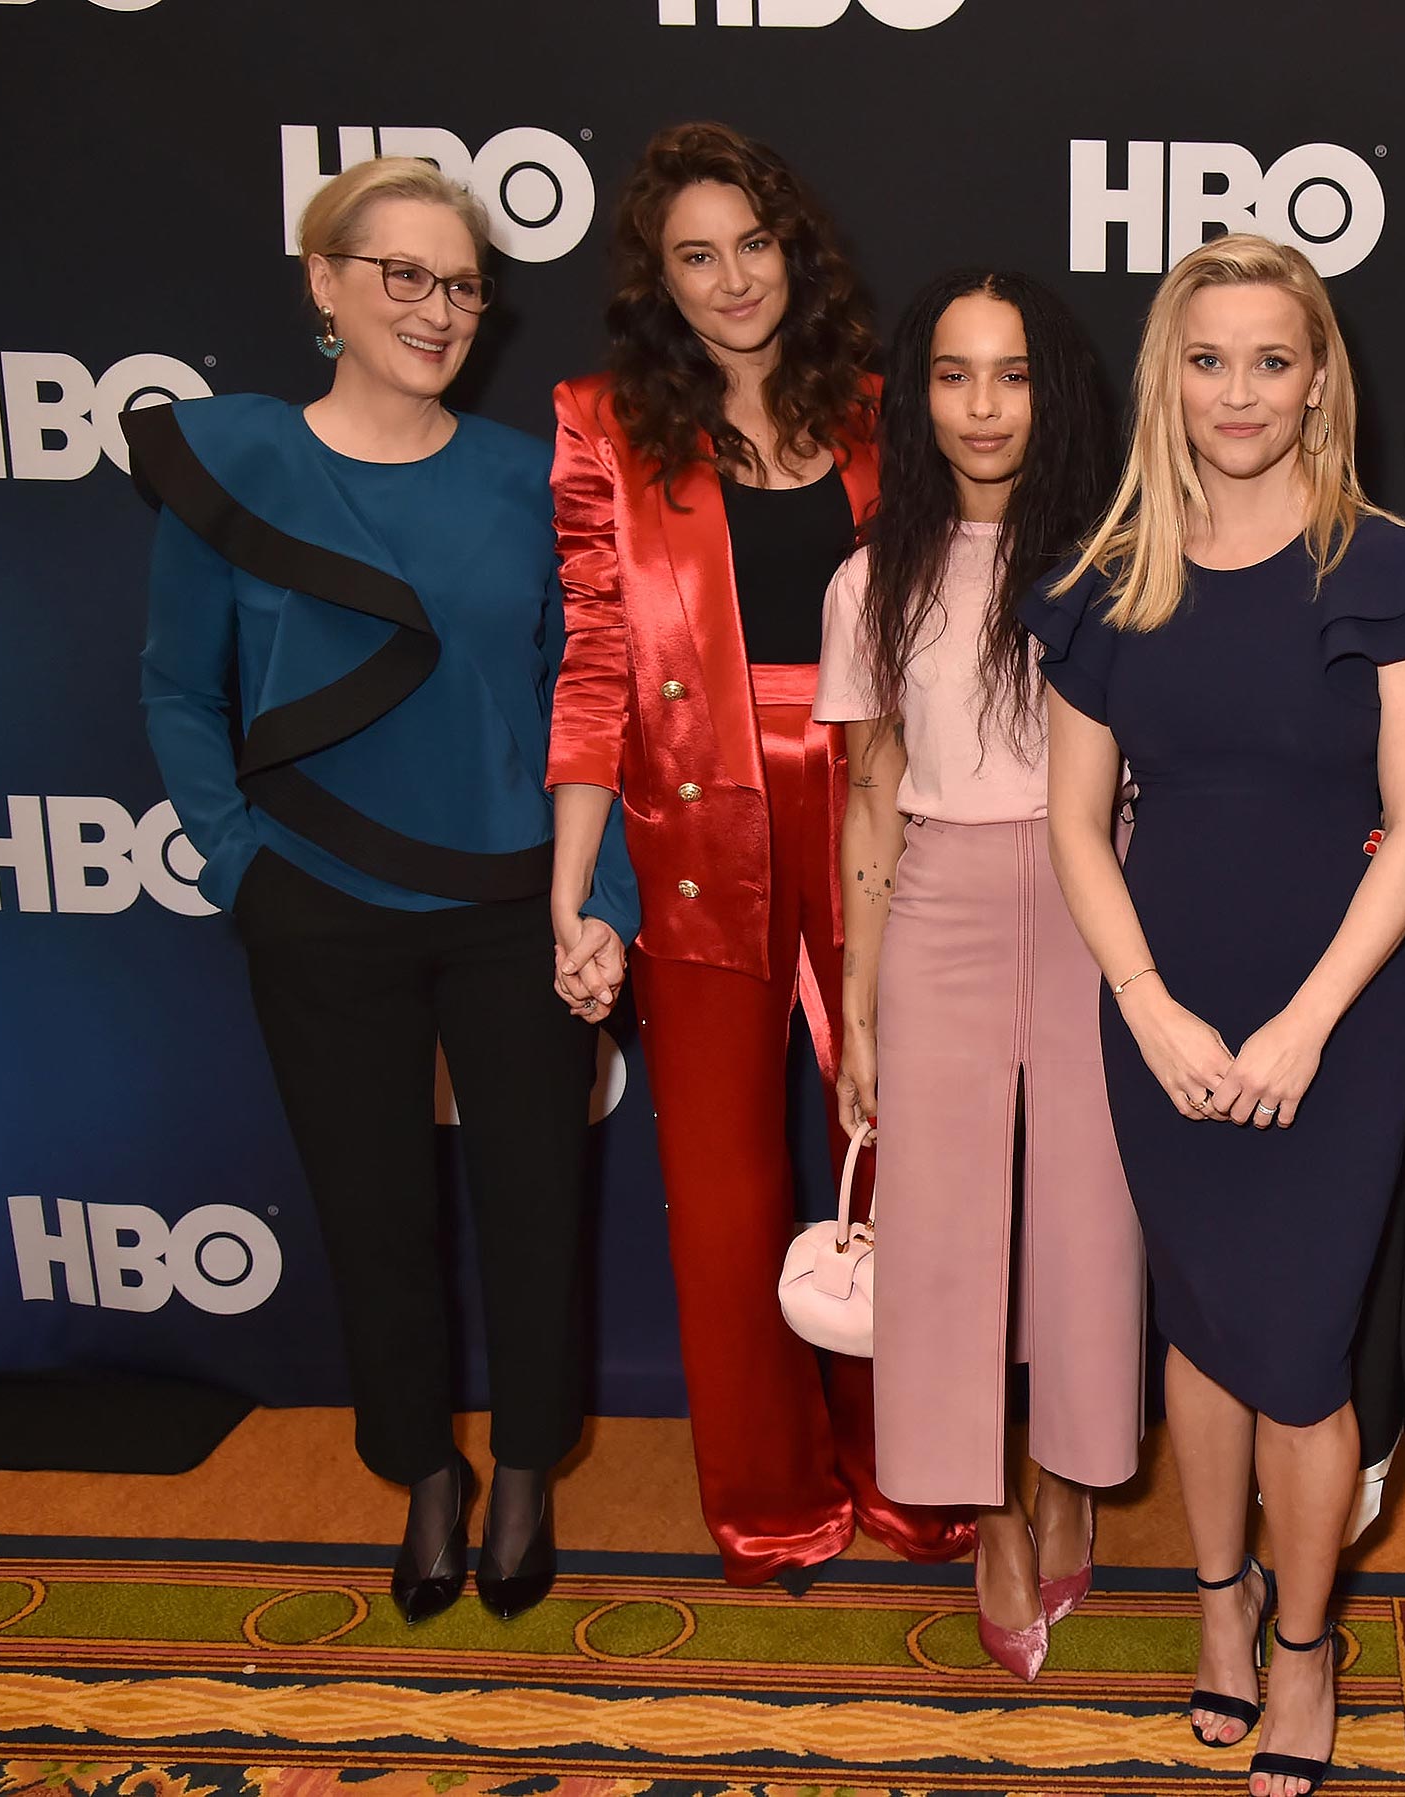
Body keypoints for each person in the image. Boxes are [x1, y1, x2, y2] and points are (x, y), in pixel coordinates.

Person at [127, 155, 635, 1623]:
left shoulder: (531, 475)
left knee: (537, 1200)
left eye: (462, 283)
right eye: (401, 274)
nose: (435, 308)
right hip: (318, 903)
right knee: (373, 1209)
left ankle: (527, 1468)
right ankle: (426, 1475)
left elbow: (585, 699)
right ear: (324, 283)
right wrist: (239, 866)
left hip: (511, 899)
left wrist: (602, 897)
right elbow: (178, 692)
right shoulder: (240, 467)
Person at [1023, 234, 1405, 1797]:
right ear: (1169, 375)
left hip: (1335, 1018)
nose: (1238, 390)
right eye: (1207, 358)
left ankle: (1304, 1640)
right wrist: (1146, 1004)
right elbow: (1078, 825)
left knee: (1298, 1352)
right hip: (1162, 1009)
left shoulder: (1392, 573)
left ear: (1318, 375)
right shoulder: (1105, 581)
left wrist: (1304, 1025)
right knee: (1201, 1333)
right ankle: (1219, 1610)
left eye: (1271, 358)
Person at [544, 121, 971, 1586]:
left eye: (754, 243)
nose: (732, 279)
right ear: (656, 281)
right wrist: (570, 882)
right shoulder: (603, 421)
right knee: (723, 1182)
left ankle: (917, 1472)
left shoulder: (878, 411)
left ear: (797, 249)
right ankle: (773, 1495)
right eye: (695, 255)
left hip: (881, 803)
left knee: (905, 1146)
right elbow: (598, 661)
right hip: (690, 818)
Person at [813, 268, 1140, 1679]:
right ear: (916, 393)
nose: (983, 405)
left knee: (1091, 1213)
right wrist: (861, 1002)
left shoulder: (1123, 561)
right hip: (938, 893)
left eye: (1010, 374)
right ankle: (996, 1514)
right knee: (942, 1235)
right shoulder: (867, 578)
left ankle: (1073, 1473)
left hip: (1095, 895)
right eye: (953, 374)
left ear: (1052, 389)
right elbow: (871, 802)